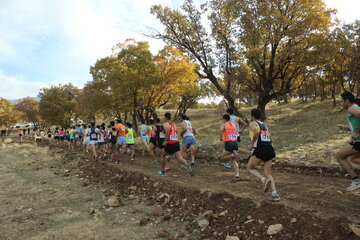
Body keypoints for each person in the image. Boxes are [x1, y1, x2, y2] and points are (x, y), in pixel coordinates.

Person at [247, 109, 279, 201]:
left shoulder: (253, 123)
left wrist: (252, 144)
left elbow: (256, 132)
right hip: (269, 149)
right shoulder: (264, 125)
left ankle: (263, 180)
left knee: (250, 168)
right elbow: (270, 138)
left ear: (252, 116)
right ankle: (274, 194)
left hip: (261, 149)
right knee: (268, 173)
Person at [336, 91, 360, 191]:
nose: (341, 103)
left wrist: (357, 133)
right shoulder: (356, 107)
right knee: (354, 158)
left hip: (359, 141)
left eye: (342, 101)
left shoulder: (352, 108)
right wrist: (346, 128)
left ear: (347, 101)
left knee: (339, 156)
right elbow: (356, 125)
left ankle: (356, 181)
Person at [220, 114, 241, 181]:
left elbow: (221, 131)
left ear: (224, 119)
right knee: (234, 161)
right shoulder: (234, 125)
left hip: (229, 143)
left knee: (222, 158)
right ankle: (237, 175)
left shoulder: (223, 124)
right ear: (230, 119)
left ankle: (232, 154)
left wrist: (221, 140)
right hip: (235, 143)